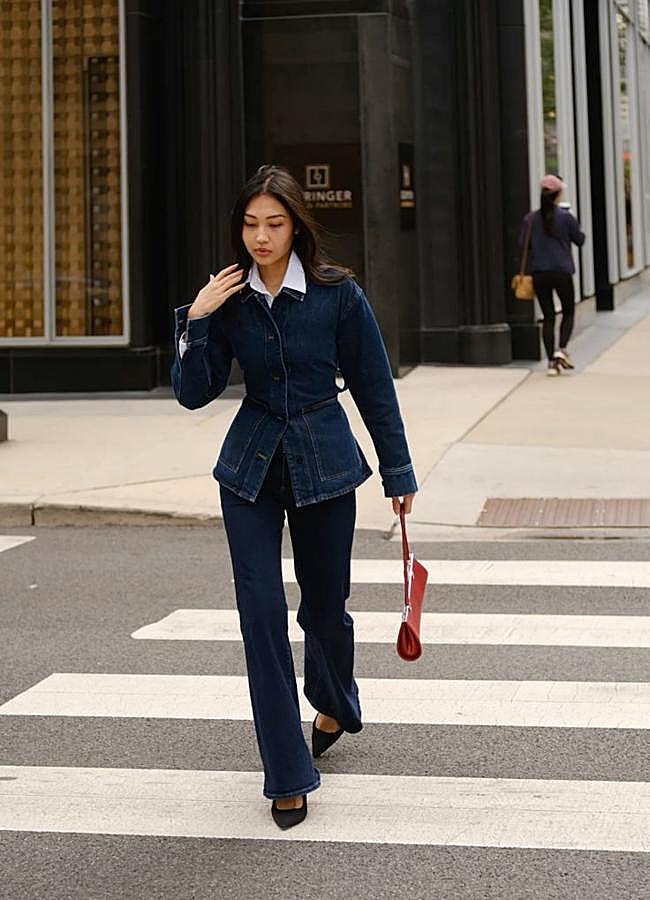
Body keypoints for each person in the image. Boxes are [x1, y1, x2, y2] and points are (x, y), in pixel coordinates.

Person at [171, 165, 417, 829]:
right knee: (260, 618)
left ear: (295, 226)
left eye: (274, 224)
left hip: (325, 463)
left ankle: (334, 699)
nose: (261, 236)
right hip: (249, 471)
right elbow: (194, 393)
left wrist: (398, 473)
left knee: (326, 608)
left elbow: (373, 386)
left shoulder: (338, 294)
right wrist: (196, 320)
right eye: (250, 224)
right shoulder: (229, 299)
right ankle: (286, 774)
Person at [521, 174, 585, 376]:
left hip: (540, 272)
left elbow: (523, 245)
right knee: (568, 311)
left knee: (548, 317)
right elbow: (580, 239)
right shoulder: (566, 217)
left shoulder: (530, 219)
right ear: (558, 195)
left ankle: (551, 363)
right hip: (562, 271)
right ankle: (562, 349)